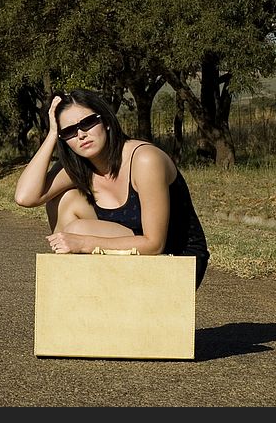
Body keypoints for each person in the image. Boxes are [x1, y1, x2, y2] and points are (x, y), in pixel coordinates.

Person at [14, 89, 209, 287]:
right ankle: (76, 294)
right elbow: (25, 197)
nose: (81, 135)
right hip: (127, 252)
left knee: (78, 230)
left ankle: (82, 293)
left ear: (106, 121)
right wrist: (53, 134)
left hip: (177, 258)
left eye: (87, 123)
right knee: (65, 200)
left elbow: (154, 244)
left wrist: (82, 243)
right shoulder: (80, 166)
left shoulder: (145, 160)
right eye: (69, 131)